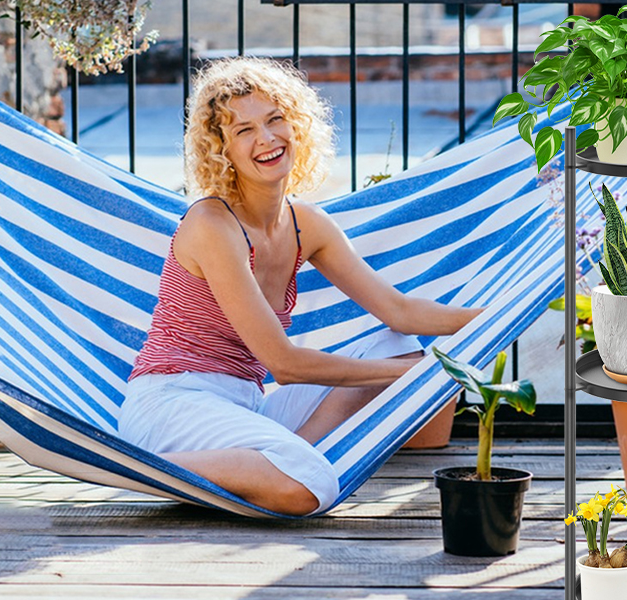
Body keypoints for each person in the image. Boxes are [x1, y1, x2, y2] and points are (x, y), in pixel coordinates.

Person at [117, 57, 481, 516]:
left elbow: (400, 312)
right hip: (174, 404)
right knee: (309, 487)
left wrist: (495, 320)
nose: (266, 139)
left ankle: (282, 459)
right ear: (220, 149)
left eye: (275, 120)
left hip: (245, 404)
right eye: (243, 130)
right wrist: (418, 378)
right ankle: (139, 467)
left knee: (399, 345)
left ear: (297, 126)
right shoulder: (212, 225)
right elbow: (283, 364)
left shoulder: (305, 223)